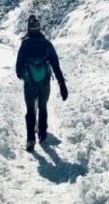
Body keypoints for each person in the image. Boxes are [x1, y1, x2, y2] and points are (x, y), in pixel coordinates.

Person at [15, 14, 68, 152]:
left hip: (30, 82)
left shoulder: (25, 44)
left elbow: (18, 68)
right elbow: (56, 65)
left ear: (28, 28)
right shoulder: (47, 44)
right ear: (39, 28)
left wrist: (23, 76)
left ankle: (30, 140)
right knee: (43, 107)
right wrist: (62, 84)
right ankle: (43, 135)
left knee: (30, 110)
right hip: (44, 81)